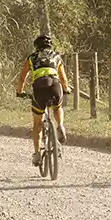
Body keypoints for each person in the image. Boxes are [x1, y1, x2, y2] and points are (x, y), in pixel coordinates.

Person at [16, 35, 70, 166]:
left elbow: (22, 77)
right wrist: (66, 88)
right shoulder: (56, 56)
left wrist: (20, 92)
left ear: (36, 46)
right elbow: (63, 78)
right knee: (58, 107)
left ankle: (37, 154)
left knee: (37, 123)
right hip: (55, 85)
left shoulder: (32, 58)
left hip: (39, 87)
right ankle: (60, 126)